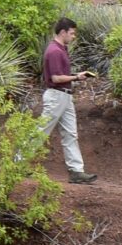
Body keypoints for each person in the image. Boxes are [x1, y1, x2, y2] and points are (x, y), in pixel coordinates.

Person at [39, 16, 96, 183]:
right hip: (57, 95)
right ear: (62, 32)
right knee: (41, 131)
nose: (73, 36)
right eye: (71, 33)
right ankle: (17, 162)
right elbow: (55, 78)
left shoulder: (60, 49)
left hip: (64, 96)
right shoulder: (55, 51)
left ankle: (76, 171)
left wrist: (74, 78)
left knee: (70, 134)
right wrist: (76, 77)